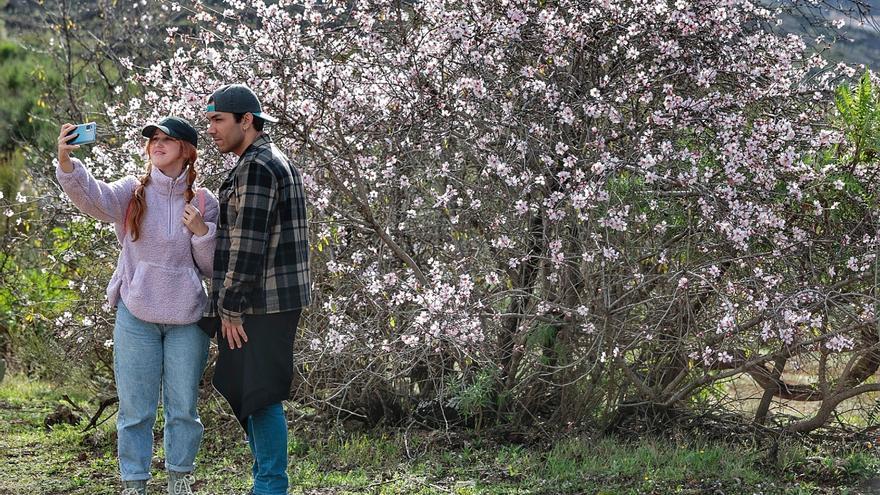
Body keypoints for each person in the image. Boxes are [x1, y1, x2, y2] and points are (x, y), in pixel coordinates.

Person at [56, 117, 219, 495]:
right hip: (136, 315)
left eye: (167, 139)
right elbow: (93, 198)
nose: (157, 145)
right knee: (135, 411)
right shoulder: (133, 191)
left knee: (183, 410)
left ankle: (181, 482)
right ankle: (134, 485)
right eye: (153, 140)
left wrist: (202, 233)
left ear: (186, 150)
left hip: (187, 319)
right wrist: (67, 163)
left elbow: (211, 268)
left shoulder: (205, 201)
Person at [202, 84, 311, 495]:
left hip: (260, 304)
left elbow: (248, 244)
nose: (211, 129)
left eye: (218, 120)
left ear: (246, 121)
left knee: (259, 395)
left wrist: (230, 307)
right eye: (209, 120)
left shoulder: (257, 166)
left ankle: (269, 487)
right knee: (246, 389)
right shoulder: (263, 160)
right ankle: (267, 483)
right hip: (265, 301)